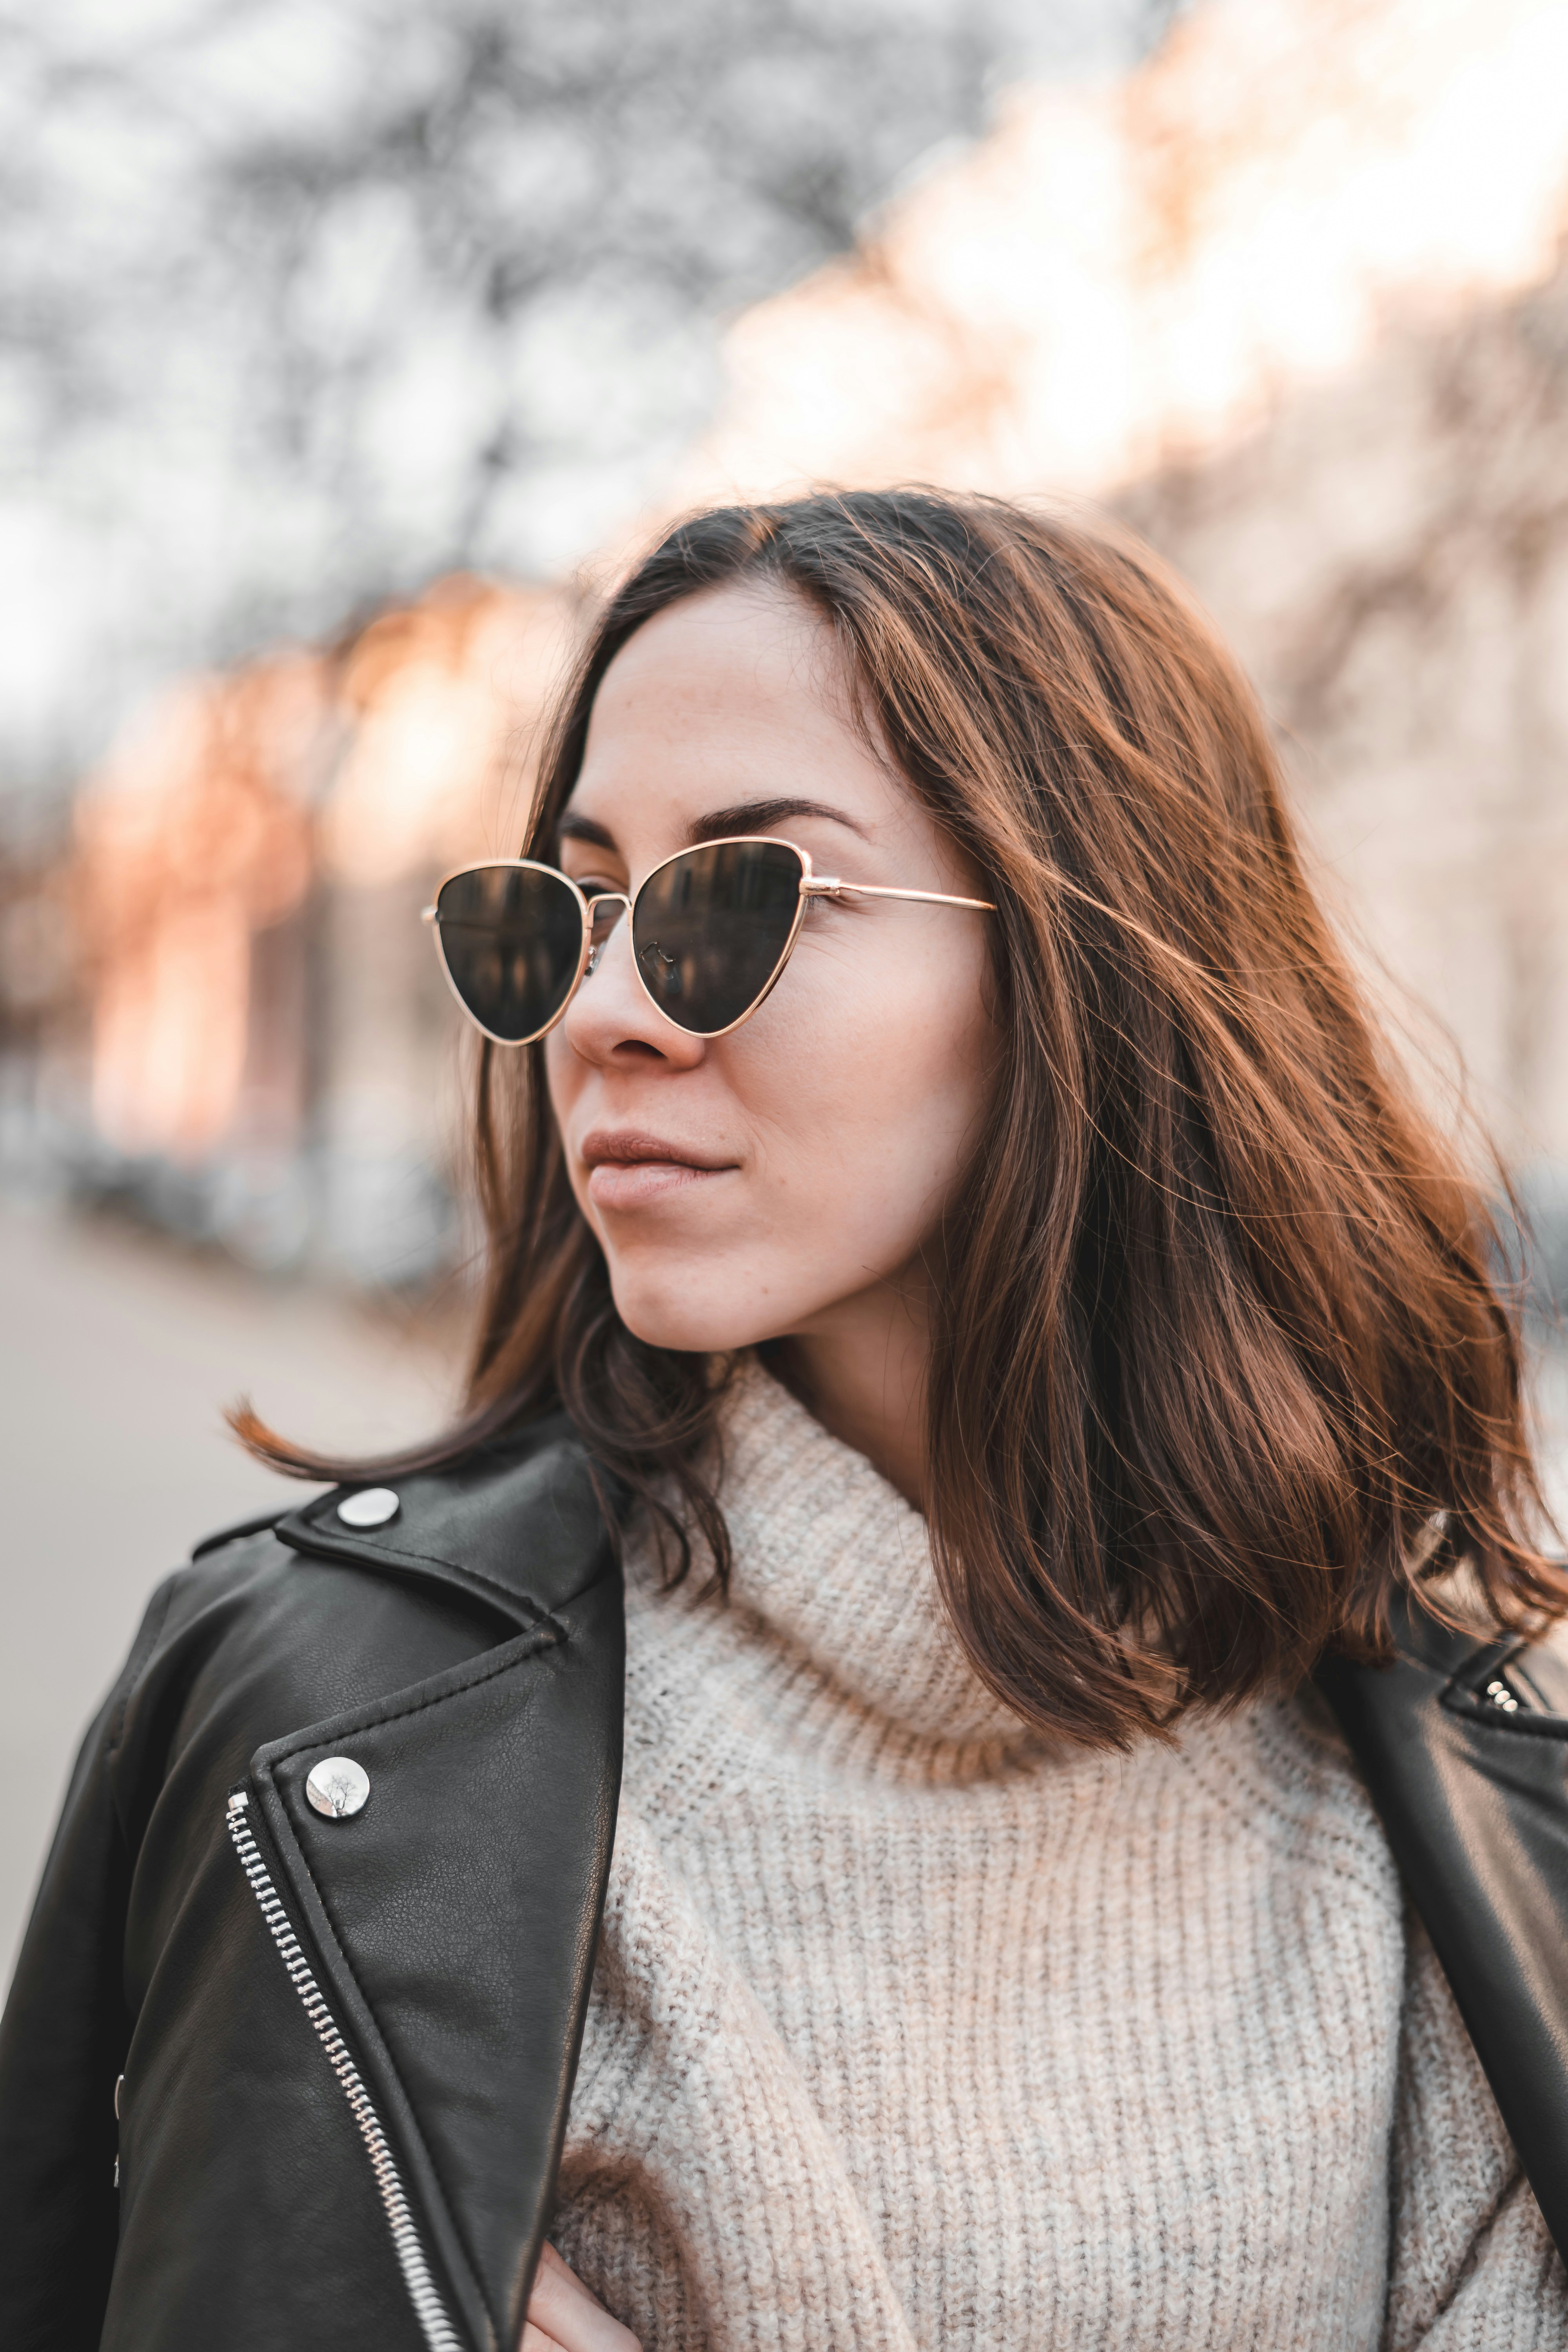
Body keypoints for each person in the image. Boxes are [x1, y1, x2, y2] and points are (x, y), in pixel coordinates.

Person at [3, 488, 1566, 2352]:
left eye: (746, 894)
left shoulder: (1472, 1767)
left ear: (1102, 962)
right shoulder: (317, 1719)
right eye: (569, 909)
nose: (602, 1011)